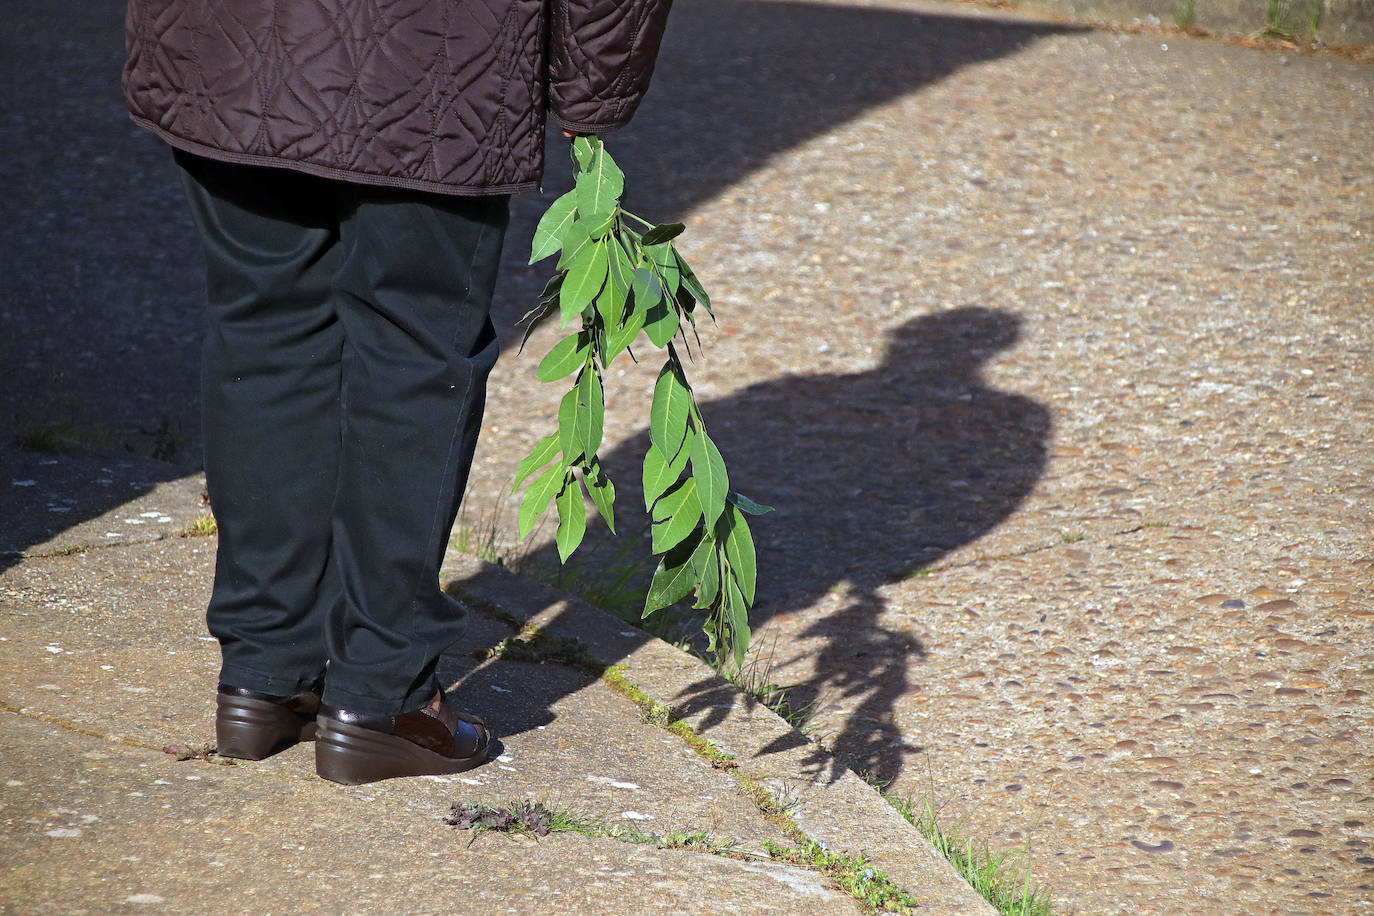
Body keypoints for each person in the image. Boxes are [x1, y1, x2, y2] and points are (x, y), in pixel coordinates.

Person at [122, 0, 673, 784]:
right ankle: (381, 696)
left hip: (229, 38)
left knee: (264, 323)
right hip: (435, 60)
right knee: (415, 344)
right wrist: (594, 87)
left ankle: (264, 676)